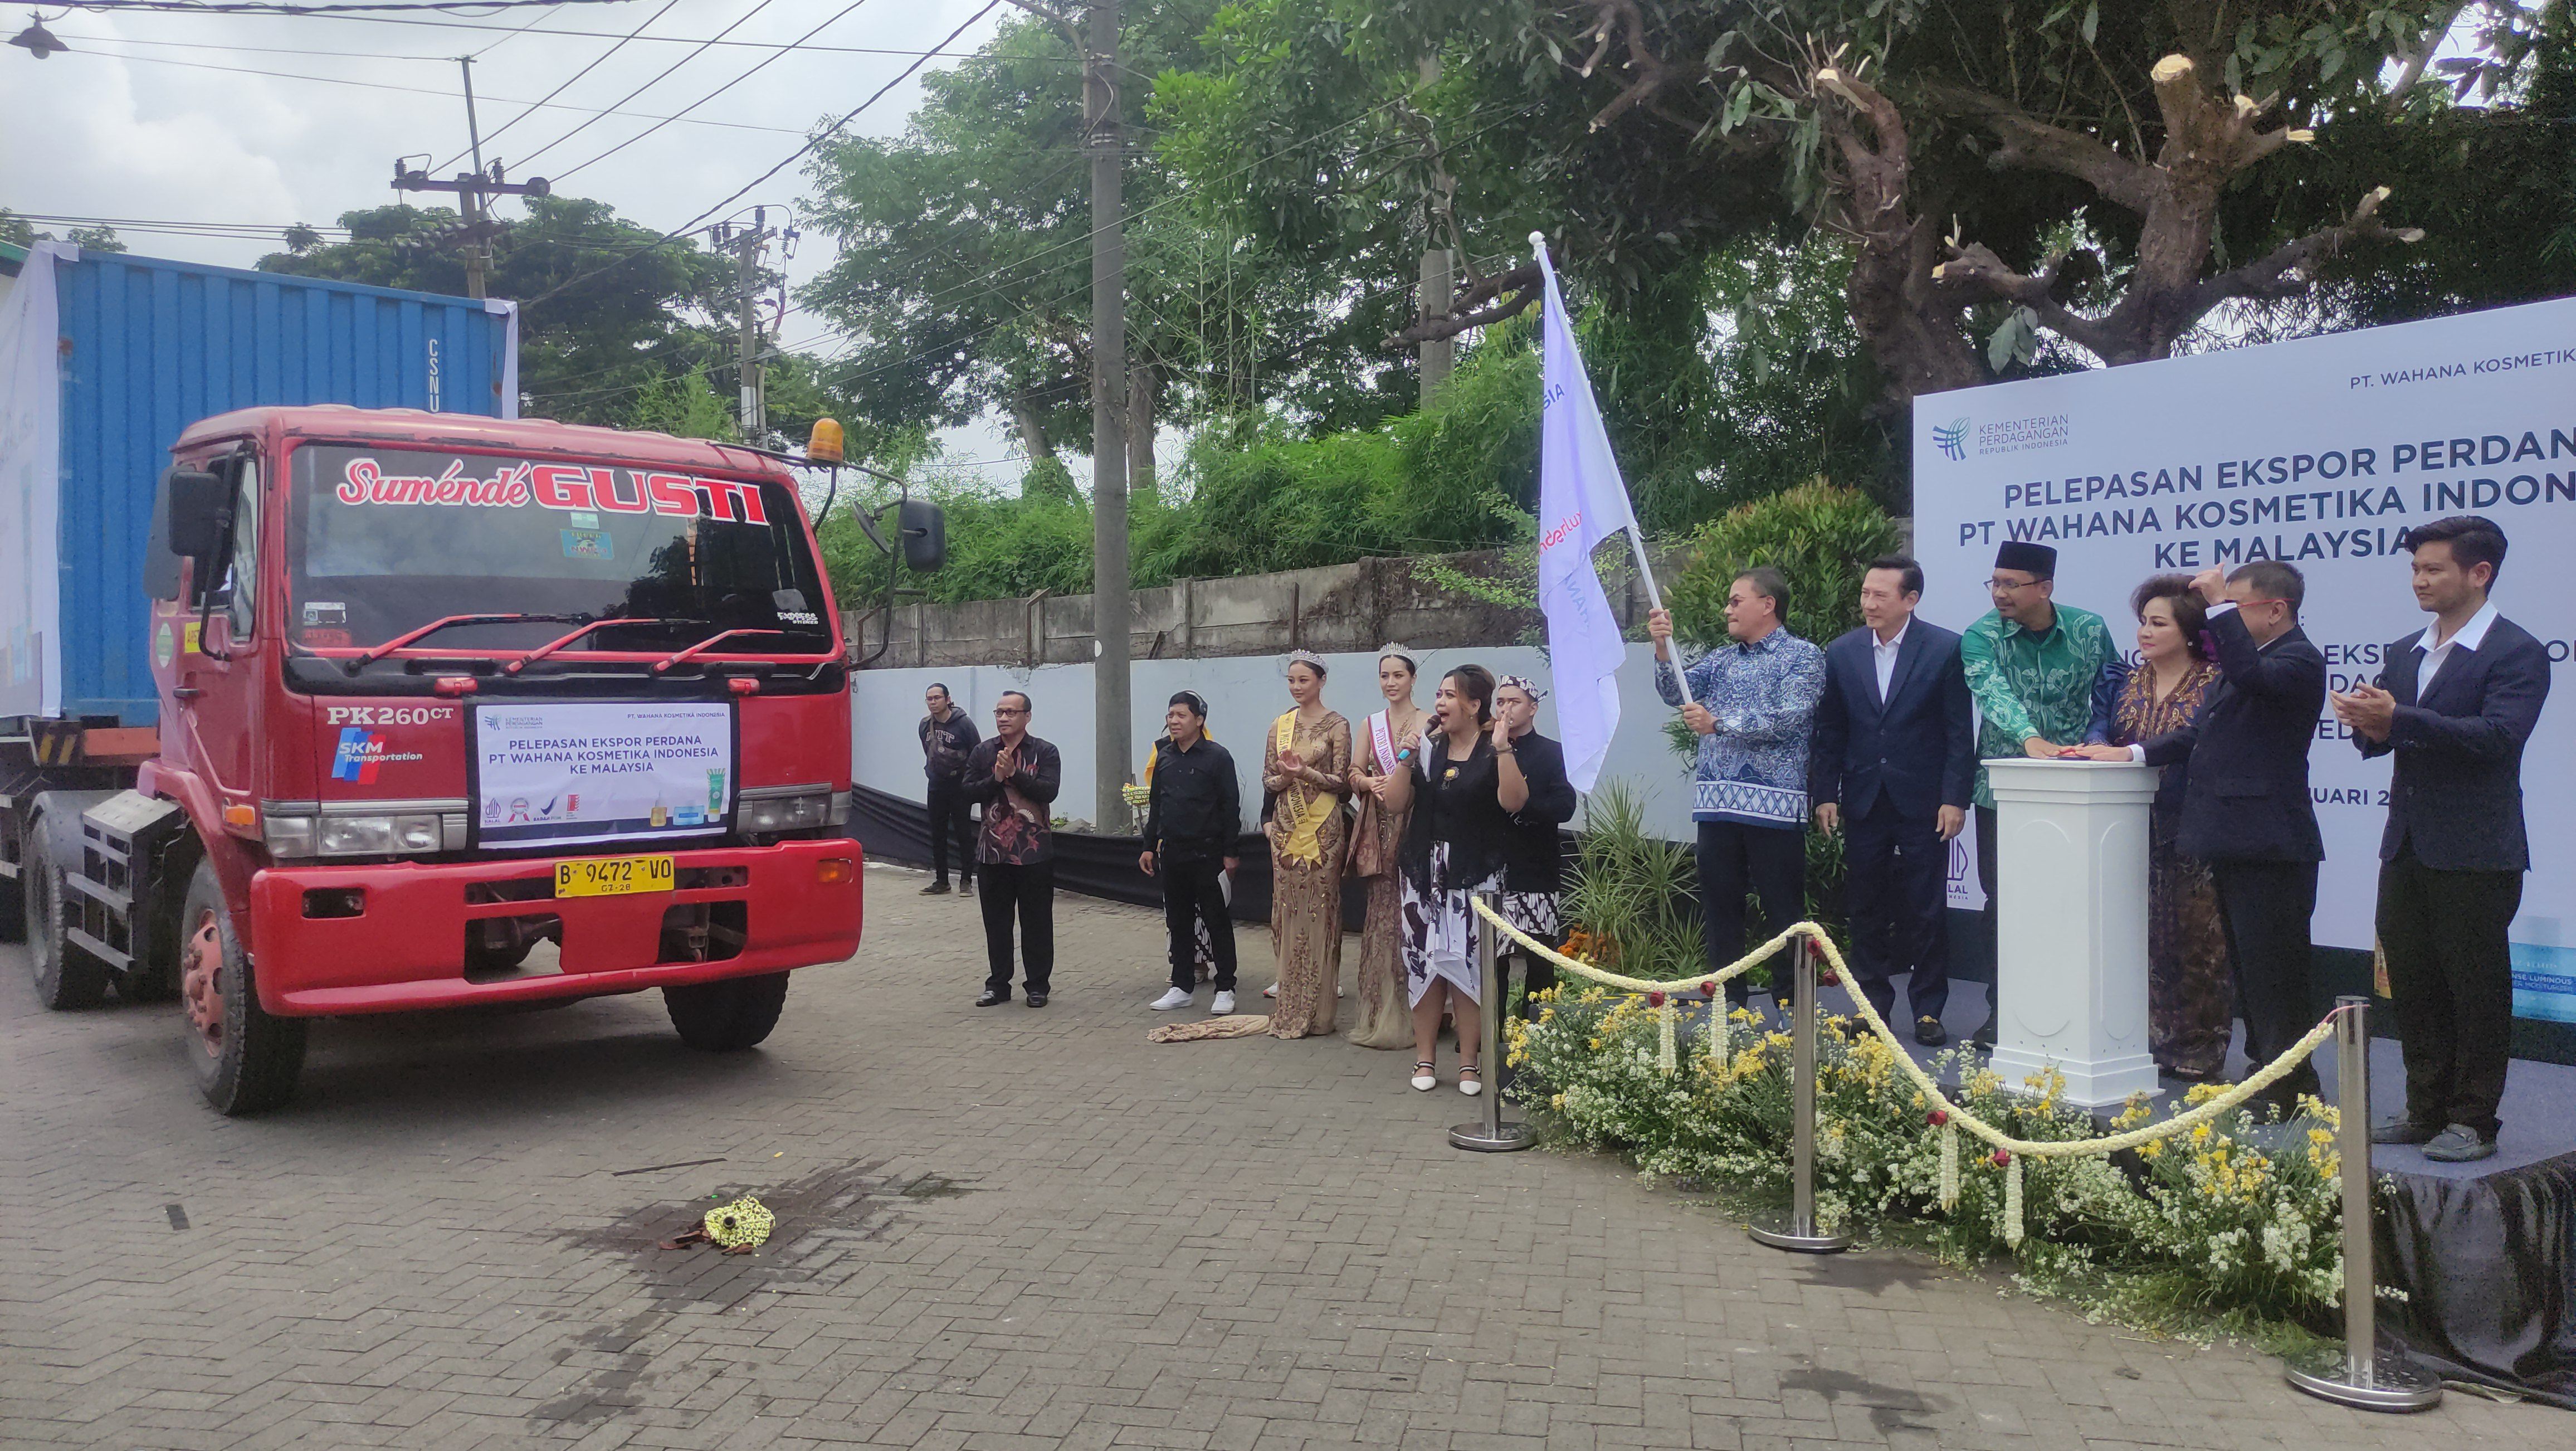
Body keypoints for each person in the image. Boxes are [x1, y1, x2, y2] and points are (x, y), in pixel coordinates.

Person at [2334, 517, 2552, 1163]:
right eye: (2413, 570)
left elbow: (2496, 738)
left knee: (2475, 987)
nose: (2418, 581)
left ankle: (2473, 1119)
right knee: (2413, 980)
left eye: (2432, 569)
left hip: (2476, 850)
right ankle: (2424, 1106)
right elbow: (2386, 739)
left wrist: (2398, 718)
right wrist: (2367, 724)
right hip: (2405, 843)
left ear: (2478, 573)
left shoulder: (2516, 651)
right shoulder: (2406, 649)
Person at [2080, 563, 2326, 1114]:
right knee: (2250, 969)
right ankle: (2268, 1072)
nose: (2222, 624)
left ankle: (2289, 1083)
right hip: (2233, 839)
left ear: (2275, 609)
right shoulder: (2249, 663)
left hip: (2271, 841)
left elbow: (2251, 678)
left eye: (2234, 609)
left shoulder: (2296, 659)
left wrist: (2213, 606)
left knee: (2275, 973)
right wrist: (2133, 752)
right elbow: (2198, 731)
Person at [2068, 576, 2231, 1080]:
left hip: (2192, 824)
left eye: (2158, 623)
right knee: (2138, 935)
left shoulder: (2214, 681)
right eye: (2142, 621)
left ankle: (2200, 1047)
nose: (2144, 632)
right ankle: (2145, 1038)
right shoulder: (2124, 679)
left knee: (2198, 940)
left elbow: (2196, 740)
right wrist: (2091, 748)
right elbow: (2104, 728)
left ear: (2188, 633)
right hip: (2125, 825)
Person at [1808, 556, 1975, 1046]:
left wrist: (1954, 799)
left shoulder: (1944, 648)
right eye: (1865, 593)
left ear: (1911, 599)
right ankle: (1870, 1006)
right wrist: (1825, 794)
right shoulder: (1842, 652)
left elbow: (1958, 733)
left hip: (1923, 800)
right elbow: (1831, 730)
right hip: (1863, 798)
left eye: (1881, 595)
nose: (1869, 604)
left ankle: (1928, 1010)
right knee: (1865, 907)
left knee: (1926, 907)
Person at [1648, 567, 1826, 1013]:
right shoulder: (1721, 660)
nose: (1727, 610)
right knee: (1721, 908)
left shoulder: (1803, 657)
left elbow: (1791, 719)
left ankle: (1793, 1006)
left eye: (1735, 601)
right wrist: (1661, 647)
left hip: (1774, 808)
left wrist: (1719, 723)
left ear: (1768, 605)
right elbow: (1675, 691)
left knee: (1783, 912)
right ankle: (1728, 1003)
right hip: (1716, 805)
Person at [1960, 541, 2115, 1045]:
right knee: (2004, 903)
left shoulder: (2089, 629)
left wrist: (2094, 741)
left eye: (2011, 584)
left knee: (2075, 902)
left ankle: (2073, 1011)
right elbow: (1991, 693)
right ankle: (2003, 1011)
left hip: (2078, 790)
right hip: (2003, 794)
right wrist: (2031, 741)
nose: (1999, 593)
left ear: (2044, 588)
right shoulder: (1981, 635)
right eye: (1995, 582)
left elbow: (2113, 689)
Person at [1387, 665, 1513, 1094]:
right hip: (1424, 871)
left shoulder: (1493, 748)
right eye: (1438, 694)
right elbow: (1394, 803)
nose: (1439, 703)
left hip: (1474, 874)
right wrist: (1406, 755)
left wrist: (1505, 752)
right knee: (1423, 964)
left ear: (1474, 705)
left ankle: (1469, 1065)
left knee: (1470, 969)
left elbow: (1514, 803)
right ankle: (1425, 1059)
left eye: (1449, 695)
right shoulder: (1427, 748)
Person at [1344, 646, 1431, 1049]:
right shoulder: (1370, 724)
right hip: (1378, 828)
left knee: (1415, 917)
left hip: (1416, 825)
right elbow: (1354, 772)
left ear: (1413, 679)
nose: (1391, 683)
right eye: (1385, 676)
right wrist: (1367, 784)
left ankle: (1426, 1013)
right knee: (1383, 917)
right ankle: (1382, 1010)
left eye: (1398, 675)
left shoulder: (1430, 721)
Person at [1263, 651, 1352, 1039]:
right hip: (1286, 828)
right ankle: (1289, 1001)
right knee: (1286, 909)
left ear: (1321, 682)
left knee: (1320, 910)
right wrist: (1284, 778)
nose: (1297, 687)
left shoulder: (1338, 725)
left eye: (1304, 680)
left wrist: (1306, 773)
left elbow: (1343, 783)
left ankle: (1320, 1008)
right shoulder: (1279, 726)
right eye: (1292, 681)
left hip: (1324, 830)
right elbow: (1268, 780)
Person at [1141, 692, 1242, 1015]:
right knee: (1179, 922)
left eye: (1181, 715)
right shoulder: (1165, 757)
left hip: (1209, 854)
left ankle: (1225, 986)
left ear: (1199, 720)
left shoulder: (1218, 757)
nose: (1174, 721)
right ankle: (1181, 985)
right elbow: (1157, 804)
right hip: (1173, 853)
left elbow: (1230, 807)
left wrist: (1231, 853)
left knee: (1216, 922)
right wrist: (1148, 846)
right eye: (1171, 715)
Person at [958, 691, 1061, 1007]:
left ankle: (1037, 986)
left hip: (1033, 854)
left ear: (1027, 717)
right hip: (993, 853)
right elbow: (967, 791)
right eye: (999, 712)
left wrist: (1015, 775)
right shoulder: (983, 751)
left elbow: (1049, 790)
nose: (1004, 718)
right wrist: (996, 778)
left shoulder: (1045, 751)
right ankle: (998, 985)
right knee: (997, 922)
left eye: (1011, 713)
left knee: (1037, 922)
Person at [1494, 674, 1579, 1021]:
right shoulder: (1484, 748)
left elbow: (1565, 805)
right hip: (1492, 868)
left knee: (1540, 956)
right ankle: (1491, 1028)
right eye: (1500, 702)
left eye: (1514, 702)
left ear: (1533, 708)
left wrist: (1522, 805)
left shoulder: (1551, 751)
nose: (1505, 709)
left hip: (1536, 868)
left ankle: (1536, 1027)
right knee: (1491, 958)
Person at [918, 682, 979, 895]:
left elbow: (977, 752)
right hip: (936, 785)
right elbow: (928, 752)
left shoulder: (964, 724)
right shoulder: (925, 725)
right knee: (937, 833)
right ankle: (942, 881)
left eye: (937, 698)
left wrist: (970, 781)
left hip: (960, 785)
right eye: (929, 699)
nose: (933, 702)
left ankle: (966, 881)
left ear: (948, 699)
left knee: (963, 832)